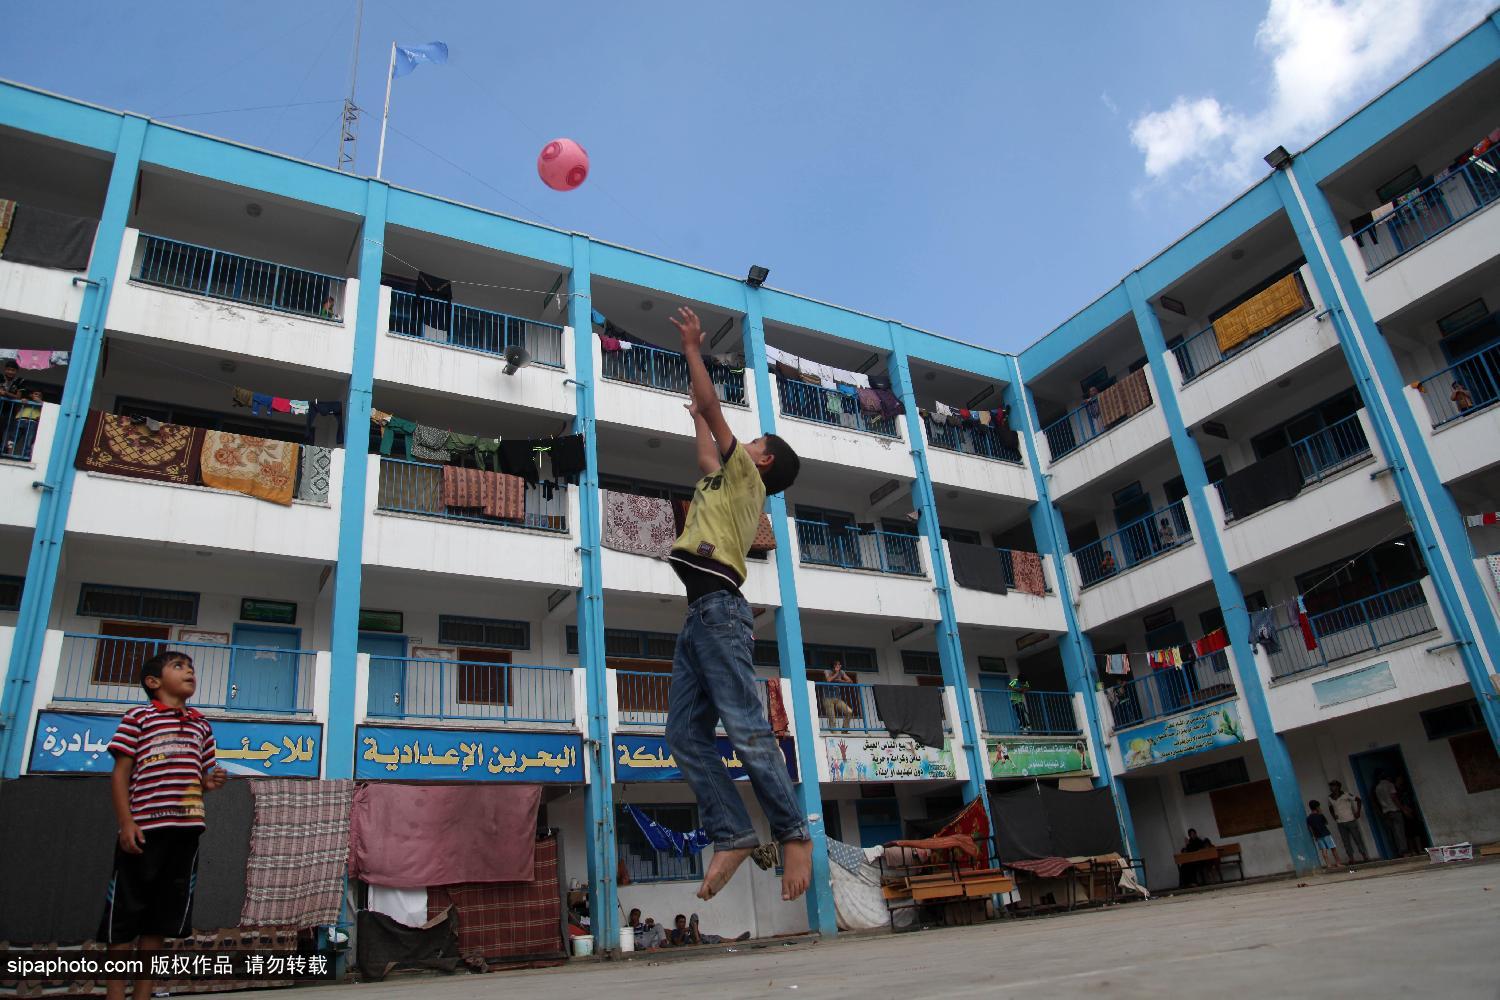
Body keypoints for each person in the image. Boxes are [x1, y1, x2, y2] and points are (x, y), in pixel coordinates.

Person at [663, 305, 810, 904]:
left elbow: (719, 419)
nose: (738, 445)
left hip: (721, 612)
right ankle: (732, 831)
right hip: (699, 619)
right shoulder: (725, 481)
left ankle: (793, 832)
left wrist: (695, 352)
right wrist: (698, 415)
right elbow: (705, 452)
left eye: (751, 443)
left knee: (747, 731)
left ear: (763, 459)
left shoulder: (748, 476)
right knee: (683, 735)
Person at [99, 651, 228, 1000]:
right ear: (154, 682)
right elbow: (121, 774)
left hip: (185, 833)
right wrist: (126, 823)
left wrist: (209, 783)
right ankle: (114, 996)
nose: (189, 672)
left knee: (158, 922)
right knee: (123, 922)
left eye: (191, 668)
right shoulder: (138, 717)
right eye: (178, 666)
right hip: (143, 832)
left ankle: (143, 995)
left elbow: (198, 779)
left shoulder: (202, 725)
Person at [1326, 780, 1368, 863]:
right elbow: (1330, 808)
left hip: (1350, 820)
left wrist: (1358, 812)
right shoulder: (1330, 798)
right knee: (1346, 841)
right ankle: (1351, 858)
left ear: (1338, 786)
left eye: (1333, 786)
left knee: (1357, 839)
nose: (1331, 788)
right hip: (1340, 822)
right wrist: (1334, 816)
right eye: (1331, 786)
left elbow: (1358, 800)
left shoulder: (1346, 794)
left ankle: (1364, 856)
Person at [1373, 770, 1409, 857]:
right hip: (1394, 810)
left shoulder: (1377, 787)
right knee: (1400, 832)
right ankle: (1404, 851)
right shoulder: (1389, 785)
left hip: (1386, 812)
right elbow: (1394, 798)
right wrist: (1403, 808)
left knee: (1393, 832)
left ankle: (1397, 851)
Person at [667, 912, 750, 947]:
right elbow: (677, 943)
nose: (683, 923)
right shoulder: (675, 932)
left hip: (699, 937)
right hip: (693, 941)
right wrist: (682, 932)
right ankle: (698, 940)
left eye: (684, 922)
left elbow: (695, 932)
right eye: (681, 922)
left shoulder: (687, 929)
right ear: (677, 923)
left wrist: (694, 930)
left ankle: (736, 939)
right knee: (694, 916)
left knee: (717, 937)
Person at [4, 388, 42, 458]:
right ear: (31, 395)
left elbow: (47, 407)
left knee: (29, 440)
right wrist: (22, 401)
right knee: (13, 437)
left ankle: (25, 456)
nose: (37, 396)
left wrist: (40, 401)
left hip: (33, 422)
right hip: (20, 420)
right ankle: (7, 454)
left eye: (39, 395)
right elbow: (17, 407)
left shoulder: (42, 404)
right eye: (35, 394)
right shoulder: (25, 401)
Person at [1306, 800, 1340, 869]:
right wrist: (1321, 813)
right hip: (1326, 834)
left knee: (1324, 850)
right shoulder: (1320, 815)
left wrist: (1314, 836)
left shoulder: (1309, 818)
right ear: (1317, 807)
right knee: (1333, 848)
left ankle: (1328, 865)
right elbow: (1326, 823)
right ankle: (1338, 863)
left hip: (1318, 836)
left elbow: (1311, 828)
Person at [822, 660, 857, 728]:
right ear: (834, 666)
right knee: (832, 717)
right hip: (827, 698)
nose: (840, 666)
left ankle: (844, 729)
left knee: (849, 712)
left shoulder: (842, 672)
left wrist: (841, 681)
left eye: (840, 665)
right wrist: (836, 673)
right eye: (838, 665)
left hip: (837, 698)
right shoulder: (827, 671)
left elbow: (851, 681)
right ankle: (834, 732)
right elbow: (828, 680)